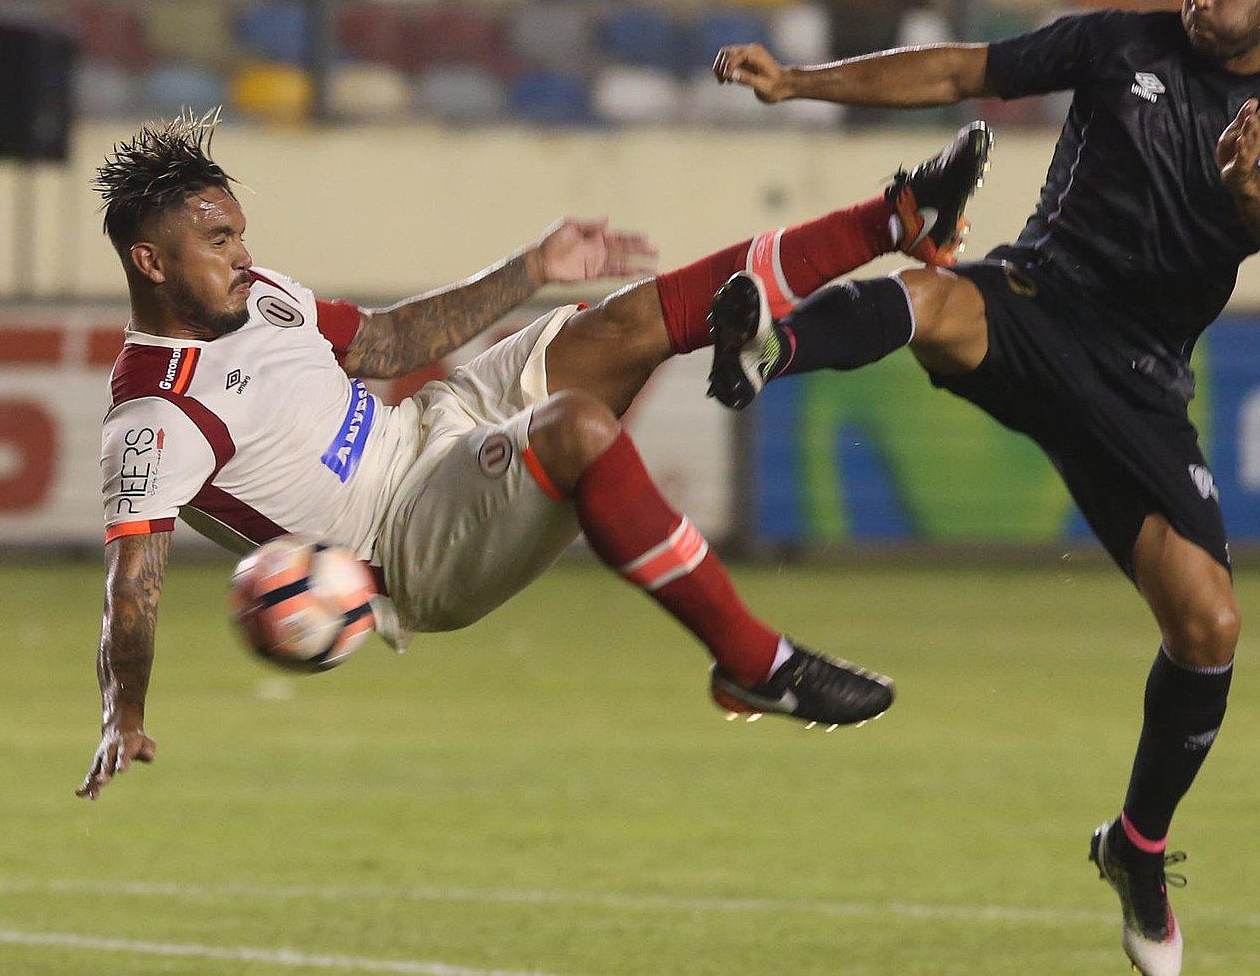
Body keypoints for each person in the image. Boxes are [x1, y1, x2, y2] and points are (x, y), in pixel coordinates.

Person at [710, 0, 1260, 976]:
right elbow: (959, 70)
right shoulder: (1119, 45)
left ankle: (1136, 849)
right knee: (941, 297)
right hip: (1038, 303)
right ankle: (770, 350)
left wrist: (1243, 180)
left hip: (1141, 387)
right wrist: (797, 84)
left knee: (1211, 625)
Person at [78, 108, 988, 803]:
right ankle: (753, 662)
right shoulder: (155, 417)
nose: (245, 255)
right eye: (221, 241)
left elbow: (392, 342)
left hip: (433, 427)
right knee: (576, 430)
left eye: (240, 232)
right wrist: (126, 709)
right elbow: (135, 582)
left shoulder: (261, 295)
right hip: (406, 547)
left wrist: (536, 264)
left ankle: (899, 216)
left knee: (630, 316)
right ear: (151, 263)